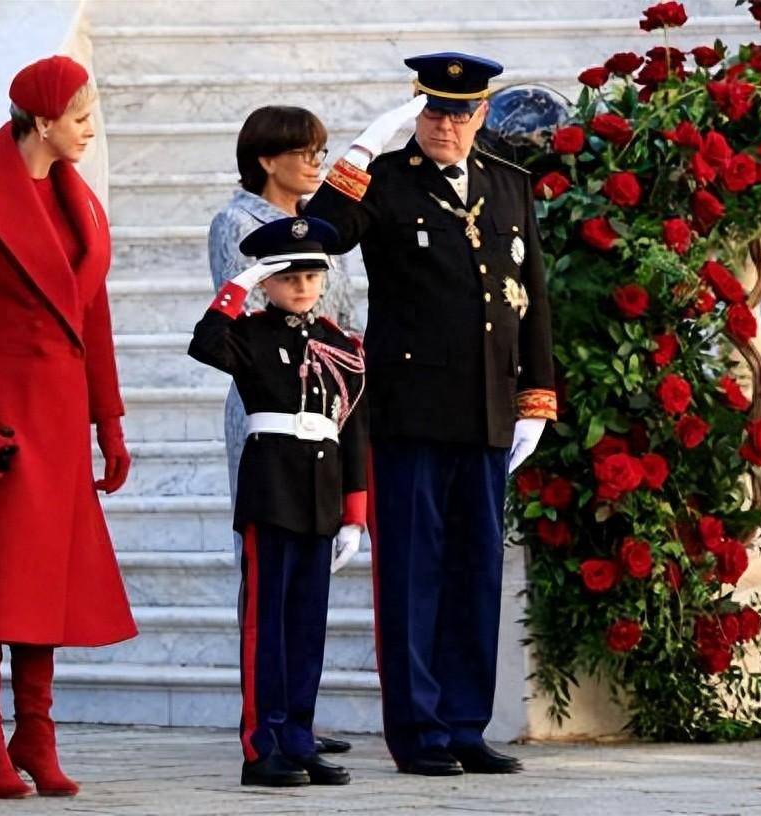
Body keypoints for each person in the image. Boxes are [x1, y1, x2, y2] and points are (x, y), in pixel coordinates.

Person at [305, 53, 556, 776]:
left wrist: (535, 398)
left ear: (482, 115)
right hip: (411, 411)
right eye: (433, 111)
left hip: (486, 413)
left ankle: (464, 724)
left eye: (460, 112)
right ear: (417, 112)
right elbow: (320, 232)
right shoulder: (385, 182)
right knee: (414, 575)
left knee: (475, 574)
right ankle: (417, 731)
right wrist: (363, 146)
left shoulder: (509, 184)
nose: (445, 126)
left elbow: (531, 294)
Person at [0, 55, 136, 799]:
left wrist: (108, 418)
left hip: (60, 416)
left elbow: (92, 314)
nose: (88, 129)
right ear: (41, 120)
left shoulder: (80, 198)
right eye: (79, 116)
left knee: (46, 585)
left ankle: (36, 736)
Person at [189, 216, 367, 788]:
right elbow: (204, 344)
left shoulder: (341, 344)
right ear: (269, 280)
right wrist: (240, 286)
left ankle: (298, 738)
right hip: (271, 490)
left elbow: (354, 431)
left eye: (312, 274)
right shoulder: (250, 333)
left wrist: (355, 515)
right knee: (266, 626)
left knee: (308, 626)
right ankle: (260, 745)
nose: (302, 285)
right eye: (288, 275)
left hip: (321, 497)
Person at [208, 105, 356, 757]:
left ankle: (296, 716)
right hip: (268, 406)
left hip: (326, 407)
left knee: (308, 576)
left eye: (321, 153)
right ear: (268, 158)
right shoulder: (236, 221)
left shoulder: (318, 224)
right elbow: (239, 316)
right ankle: (261, 719)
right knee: (268, 570)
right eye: (304, 152)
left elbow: (343, 313)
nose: (315, 164)